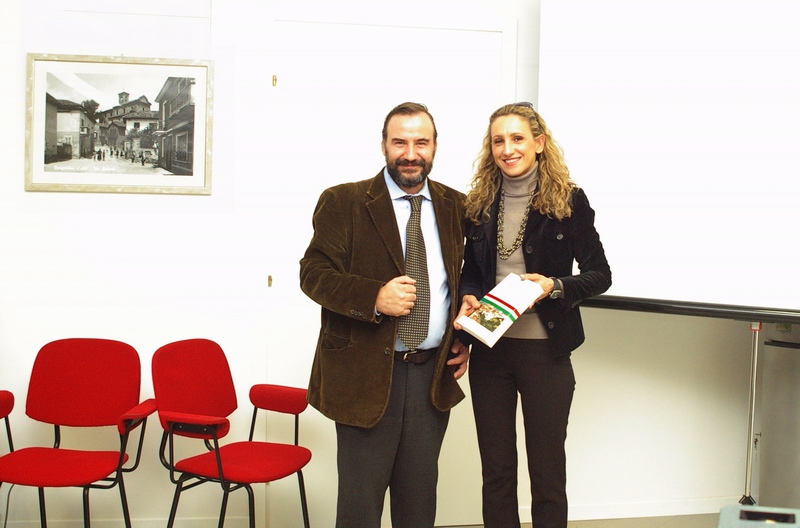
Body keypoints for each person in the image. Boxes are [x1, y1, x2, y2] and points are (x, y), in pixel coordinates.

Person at [300, 102, 470, 528]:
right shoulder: (344, 201)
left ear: (434, 147)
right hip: (364, 379)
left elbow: (468, 281)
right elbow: (313, 274)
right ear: (383, 146)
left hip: (431, 377)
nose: (410, 153)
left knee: (418, 509)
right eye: (400, 142)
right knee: (359, 511)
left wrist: (464, 337)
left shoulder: (457, 206)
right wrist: (373, 296)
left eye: (420, 142)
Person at [455, 102, 612, 528]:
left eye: (518, 138)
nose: (508, 148)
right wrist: (470, 296)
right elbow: (472, 271)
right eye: (498, 141)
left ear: (539, 144)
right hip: (490, 353)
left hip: (547, 355)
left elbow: (601, 275)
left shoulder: (570, 201)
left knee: (546, 475)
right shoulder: (480, 204)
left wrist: (554, 286)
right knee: (497, 473)